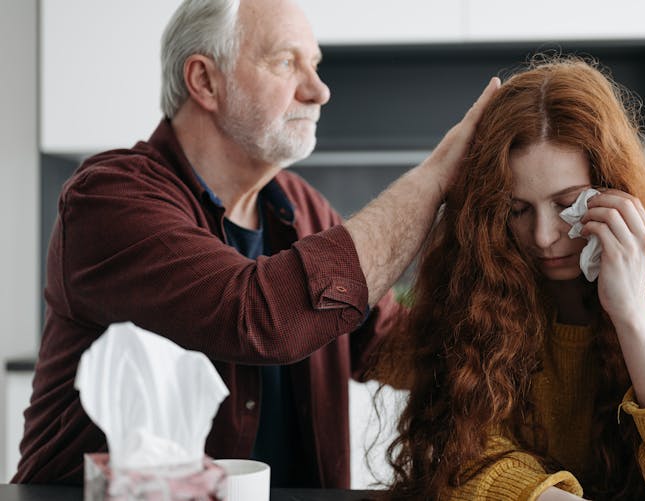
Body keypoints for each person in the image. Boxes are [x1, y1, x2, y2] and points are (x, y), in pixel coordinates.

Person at [12, 0, 500, 488]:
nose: (319, 90)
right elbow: (256, 314)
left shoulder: (303, 210)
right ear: (204, 81)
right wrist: (433, 180)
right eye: (287, 62)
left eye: (315, 64)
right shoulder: (109, 197)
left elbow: (389, 346)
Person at [382, 56, 645, 500]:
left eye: (567, 205)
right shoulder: (481, 278)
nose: (542, 236)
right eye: (516, 209)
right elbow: (459, 458)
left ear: (615, 188)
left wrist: (631, 312)